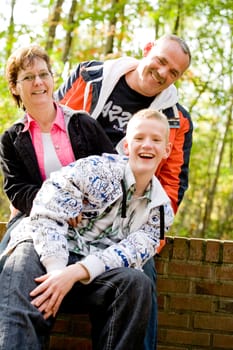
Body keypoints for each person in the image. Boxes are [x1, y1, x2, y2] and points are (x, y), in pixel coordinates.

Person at [55, 33, 193, 349]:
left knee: (141, 280)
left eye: (173, 73)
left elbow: (172, 184)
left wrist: (148, 235)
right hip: (68, 203)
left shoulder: (177, 119)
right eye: (161, 61)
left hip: (127, 222)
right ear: (147, 50)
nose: (162, 73)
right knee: (16, 254)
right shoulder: (90, 77)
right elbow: (51, 137)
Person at [0, 108, 174, 350]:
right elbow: (46, 210)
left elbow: (127, 255)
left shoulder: (160, 211)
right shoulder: (97, 170)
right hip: (45, 253)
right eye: (139, 138)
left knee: (138, 282)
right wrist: (56, 270)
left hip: (89, 273)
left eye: (156, 140)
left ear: (167, 150)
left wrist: (72, 274)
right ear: (126, 146)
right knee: (21, 259)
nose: (147, 145)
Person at [0, 44, 115, 252]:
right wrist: (59, 203)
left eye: (44, 74)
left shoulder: (83, 123)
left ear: (52, 79)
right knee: (9, 263)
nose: (38, 82)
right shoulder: (11, 139)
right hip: (33, 218)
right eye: (28, 77)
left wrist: (82, 203)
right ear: (15, 87)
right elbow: (16, 189)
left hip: (90, 220)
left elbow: (112, 170)